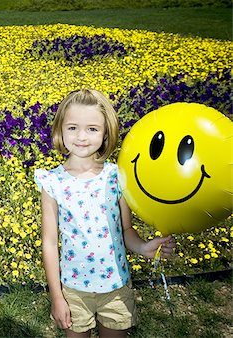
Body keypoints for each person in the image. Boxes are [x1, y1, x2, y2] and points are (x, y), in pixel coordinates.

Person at [34, 89, 175, 338]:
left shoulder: (116, 177)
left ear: (105, 133)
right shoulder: (52, 182)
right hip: (73, 291)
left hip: (116, 288)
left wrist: (143, 248)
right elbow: (49, 243)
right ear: (60, 130)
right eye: (73, 127)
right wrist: (56, 296)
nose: (81, 137)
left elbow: (125, 230)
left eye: (92, 129)